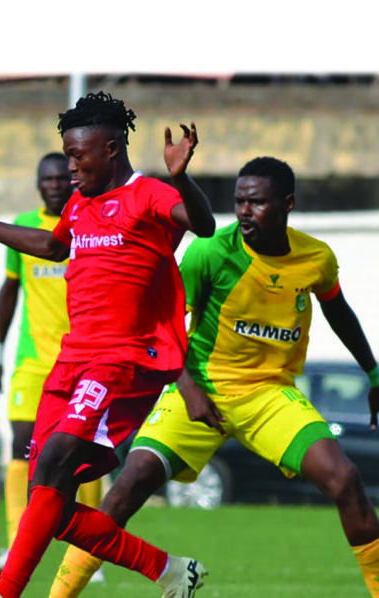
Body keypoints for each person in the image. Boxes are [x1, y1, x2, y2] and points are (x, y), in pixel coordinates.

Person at [0, 90, 216, 598]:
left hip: (122, 360)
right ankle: (169, 570)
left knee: (55, 460)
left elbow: (203, 225)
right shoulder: (81, 203)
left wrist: (181, 177)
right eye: (67, 156)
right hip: (71, 360)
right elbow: (52, 246)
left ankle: (3, 596)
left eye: (78, 156)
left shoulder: (148, 193)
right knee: (46, 501)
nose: (71, 167)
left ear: (111, 149)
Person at [75, 156, 379, 597]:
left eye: (257, 202)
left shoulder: (315, 258)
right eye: (239, 202)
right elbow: (160, 325)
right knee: (129, 484)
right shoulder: (210, 252)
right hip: (199, 388)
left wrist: (373, 373)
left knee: (346, 480)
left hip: (269, 396)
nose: (244, 211)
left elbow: (339, 312)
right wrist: (187, 388)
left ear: (287, 204)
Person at [0, 152, 106, 594]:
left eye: (61, 178)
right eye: (47, 179)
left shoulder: (89, 223)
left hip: (84, 358)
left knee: (83, 453)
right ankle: (15, 544)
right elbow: (10, 290)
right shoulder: (24, 226)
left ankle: (89, 551)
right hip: (33, 362)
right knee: (21, 445)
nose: (55, 185)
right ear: (38, 184)